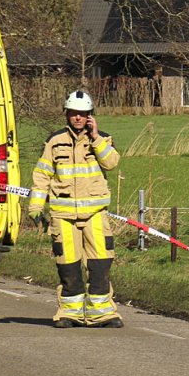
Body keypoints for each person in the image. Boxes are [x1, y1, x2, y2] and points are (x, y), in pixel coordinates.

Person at [28, 91, 123, 328]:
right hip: (63, 216)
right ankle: (70, 314)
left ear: (90, 115)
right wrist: (36, 206)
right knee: (68, 266)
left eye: (82, 114)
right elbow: (42, 175)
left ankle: (102, 313)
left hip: (95, 215)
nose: (78, 118)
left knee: (100, 264)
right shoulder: (54, 141)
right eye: (73, 114)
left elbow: (111, 163)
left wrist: (96, 138)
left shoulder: (103, 139)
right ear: (67, 115)